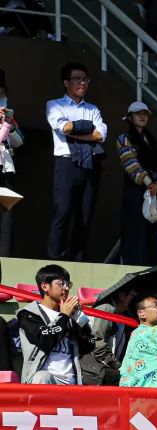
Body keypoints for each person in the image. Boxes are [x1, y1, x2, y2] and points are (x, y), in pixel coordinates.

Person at [46, 62, 107, 261]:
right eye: (78, 79)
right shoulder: (54, 104)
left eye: (85, 79)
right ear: (66, 82)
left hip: (90, 164)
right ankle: (55, 260)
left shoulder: (92, 108)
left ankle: (77, 260)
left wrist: (75, 131)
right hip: (66, 163)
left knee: (85, 215)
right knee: (62, 211)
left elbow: (100, 134)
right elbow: (63, 127)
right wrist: (86, 129)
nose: (83, 83)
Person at [17, 265, 92, 385]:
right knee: (41, 377)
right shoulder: (28, 314)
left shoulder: (70, 315)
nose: (66, 288)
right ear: (45, 287)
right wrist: (64, 316)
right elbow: (44, 339)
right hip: (46, 380)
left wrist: (78, 319)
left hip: (72, 382)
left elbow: (89, 345)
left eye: (68, 284)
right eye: (61, 284)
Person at [116, 101, 157, 265]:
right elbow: (130, 164)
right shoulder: (124, 138)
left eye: (145, 114)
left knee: (154, 235)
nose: (142, 116)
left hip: (154, 194)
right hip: (135, 194)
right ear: (130, 117)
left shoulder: (152, 140)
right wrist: (148, 182)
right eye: (138, 113)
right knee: (135, 233)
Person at [79, 286, 134, 386]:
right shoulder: (107, 309)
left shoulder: (124, 314)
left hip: (105, 365)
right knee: (129, 381)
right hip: (93, 367)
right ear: (122, 295)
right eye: (133, 296)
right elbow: (97, 342)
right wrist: (117, 366)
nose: (136, 300)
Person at [0, 71, 23, 256]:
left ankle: (5, 255)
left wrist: (9, 124)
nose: (2, 97)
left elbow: (19, 141)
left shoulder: (8, 117)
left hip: (6, 168)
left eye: (2, 93)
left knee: (7, 215)